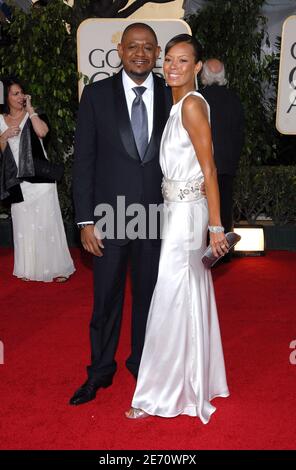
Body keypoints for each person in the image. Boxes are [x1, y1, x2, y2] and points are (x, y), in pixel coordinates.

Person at [126, 34, 230, 424]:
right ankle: (190, 381)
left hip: (188, 217)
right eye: (169, 59)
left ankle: (160, 394)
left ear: (198, 67)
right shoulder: (177, 106)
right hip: (176, 212)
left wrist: (216, 228)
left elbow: (209, 170)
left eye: (183, 61)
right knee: (182, 296)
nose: (172, 67)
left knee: (169, 298)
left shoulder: (190, 107)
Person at [70, 23, 172, 406]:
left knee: (149, 299)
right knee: (106, 300)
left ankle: (142, 364)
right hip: (109, 216)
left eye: (148, 48)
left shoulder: (170, 95)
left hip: (155, 217)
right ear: (120, 51)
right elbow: (84, 163)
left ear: (157, 51)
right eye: (133, 47)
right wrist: (84, 220)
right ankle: (99, 371)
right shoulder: (96, 96)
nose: (140, 53)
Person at [0, 77, 75, 282]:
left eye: (21, 92)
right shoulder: (0, 120)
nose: (20, 96)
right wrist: (4, 136)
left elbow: (42, 132)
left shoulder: (34, 115)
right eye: (15, 94)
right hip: (16, 182)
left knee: (48, 225)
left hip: (40, 181)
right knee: (24, 226)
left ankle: (58, 268)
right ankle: (28, 269)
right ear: (5, 98)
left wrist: (31, 110)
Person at [201, 59, 244, 241]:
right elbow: (240, 134)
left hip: (202, 166)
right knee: (224, 207)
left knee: (203, 209)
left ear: (203, 75)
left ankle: (203, 249)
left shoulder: (197, 98)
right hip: (227, 166)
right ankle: (224, 252)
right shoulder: (234, 99)